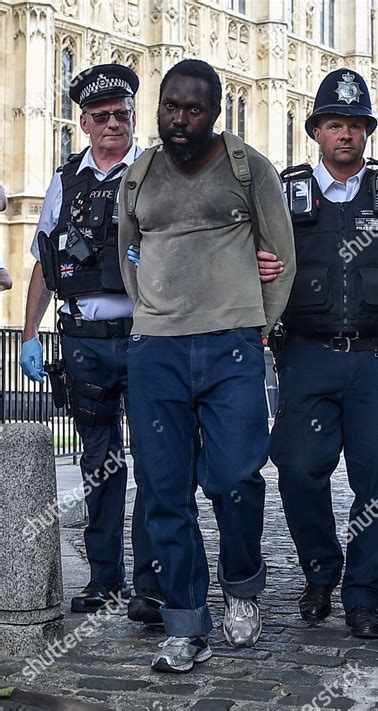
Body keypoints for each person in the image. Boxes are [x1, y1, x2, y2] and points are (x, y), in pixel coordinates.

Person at [261, 67, 378, 639]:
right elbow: (251, 259)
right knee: (296, 470)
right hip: (306, 355)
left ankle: (364, 596)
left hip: (375, 362)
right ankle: (321, 570)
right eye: (335, 124)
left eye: (356, 125)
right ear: (316, 130)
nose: (346, 134)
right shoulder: (284, 194)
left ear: (367, 133)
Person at [119, 59, 296, 673]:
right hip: (156, 351)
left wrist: (254, 327)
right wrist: (153, 317)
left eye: (193, 109)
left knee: (236, 481)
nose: (179, 119)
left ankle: (243, 586)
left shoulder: (251, 172)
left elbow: (283, 258)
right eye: (170, 105)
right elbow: (128, 254)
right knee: (164, 492)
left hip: (232, 347)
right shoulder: (139, 175)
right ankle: (185, 623)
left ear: (214, 113)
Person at [19, 64, 164, 623]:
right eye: (101, 117)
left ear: (132, 118)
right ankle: (105, 578)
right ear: (83, 122)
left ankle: (150, 584)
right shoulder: (65, 180)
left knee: (156, 461)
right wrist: (30, 334)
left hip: (147, 337)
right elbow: (43, 264)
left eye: (122, 115)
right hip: (83, 340)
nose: (112, 124)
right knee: (99, 462)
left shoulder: (153, 172)